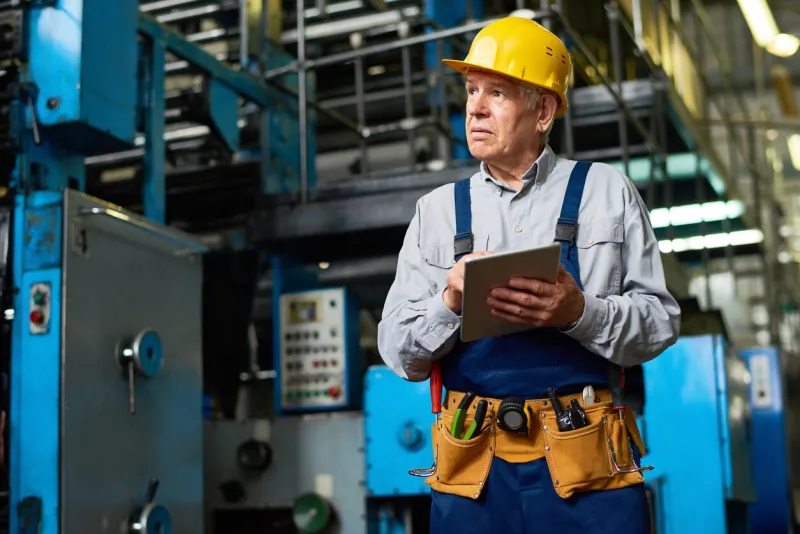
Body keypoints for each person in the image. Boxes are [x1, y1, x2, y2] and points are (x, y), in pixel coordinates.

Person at [377, 16, 681, 534]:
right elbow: (398, 352)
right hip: (474, 471)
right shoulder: (437, 212)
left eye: (497, 92)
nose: (474, 106)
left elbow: (659, 323)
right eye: (472, 89)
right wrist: (448, 302)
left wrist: (580, 312)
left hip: (585, 468)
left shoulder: (606, 193)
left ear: (543, 110)